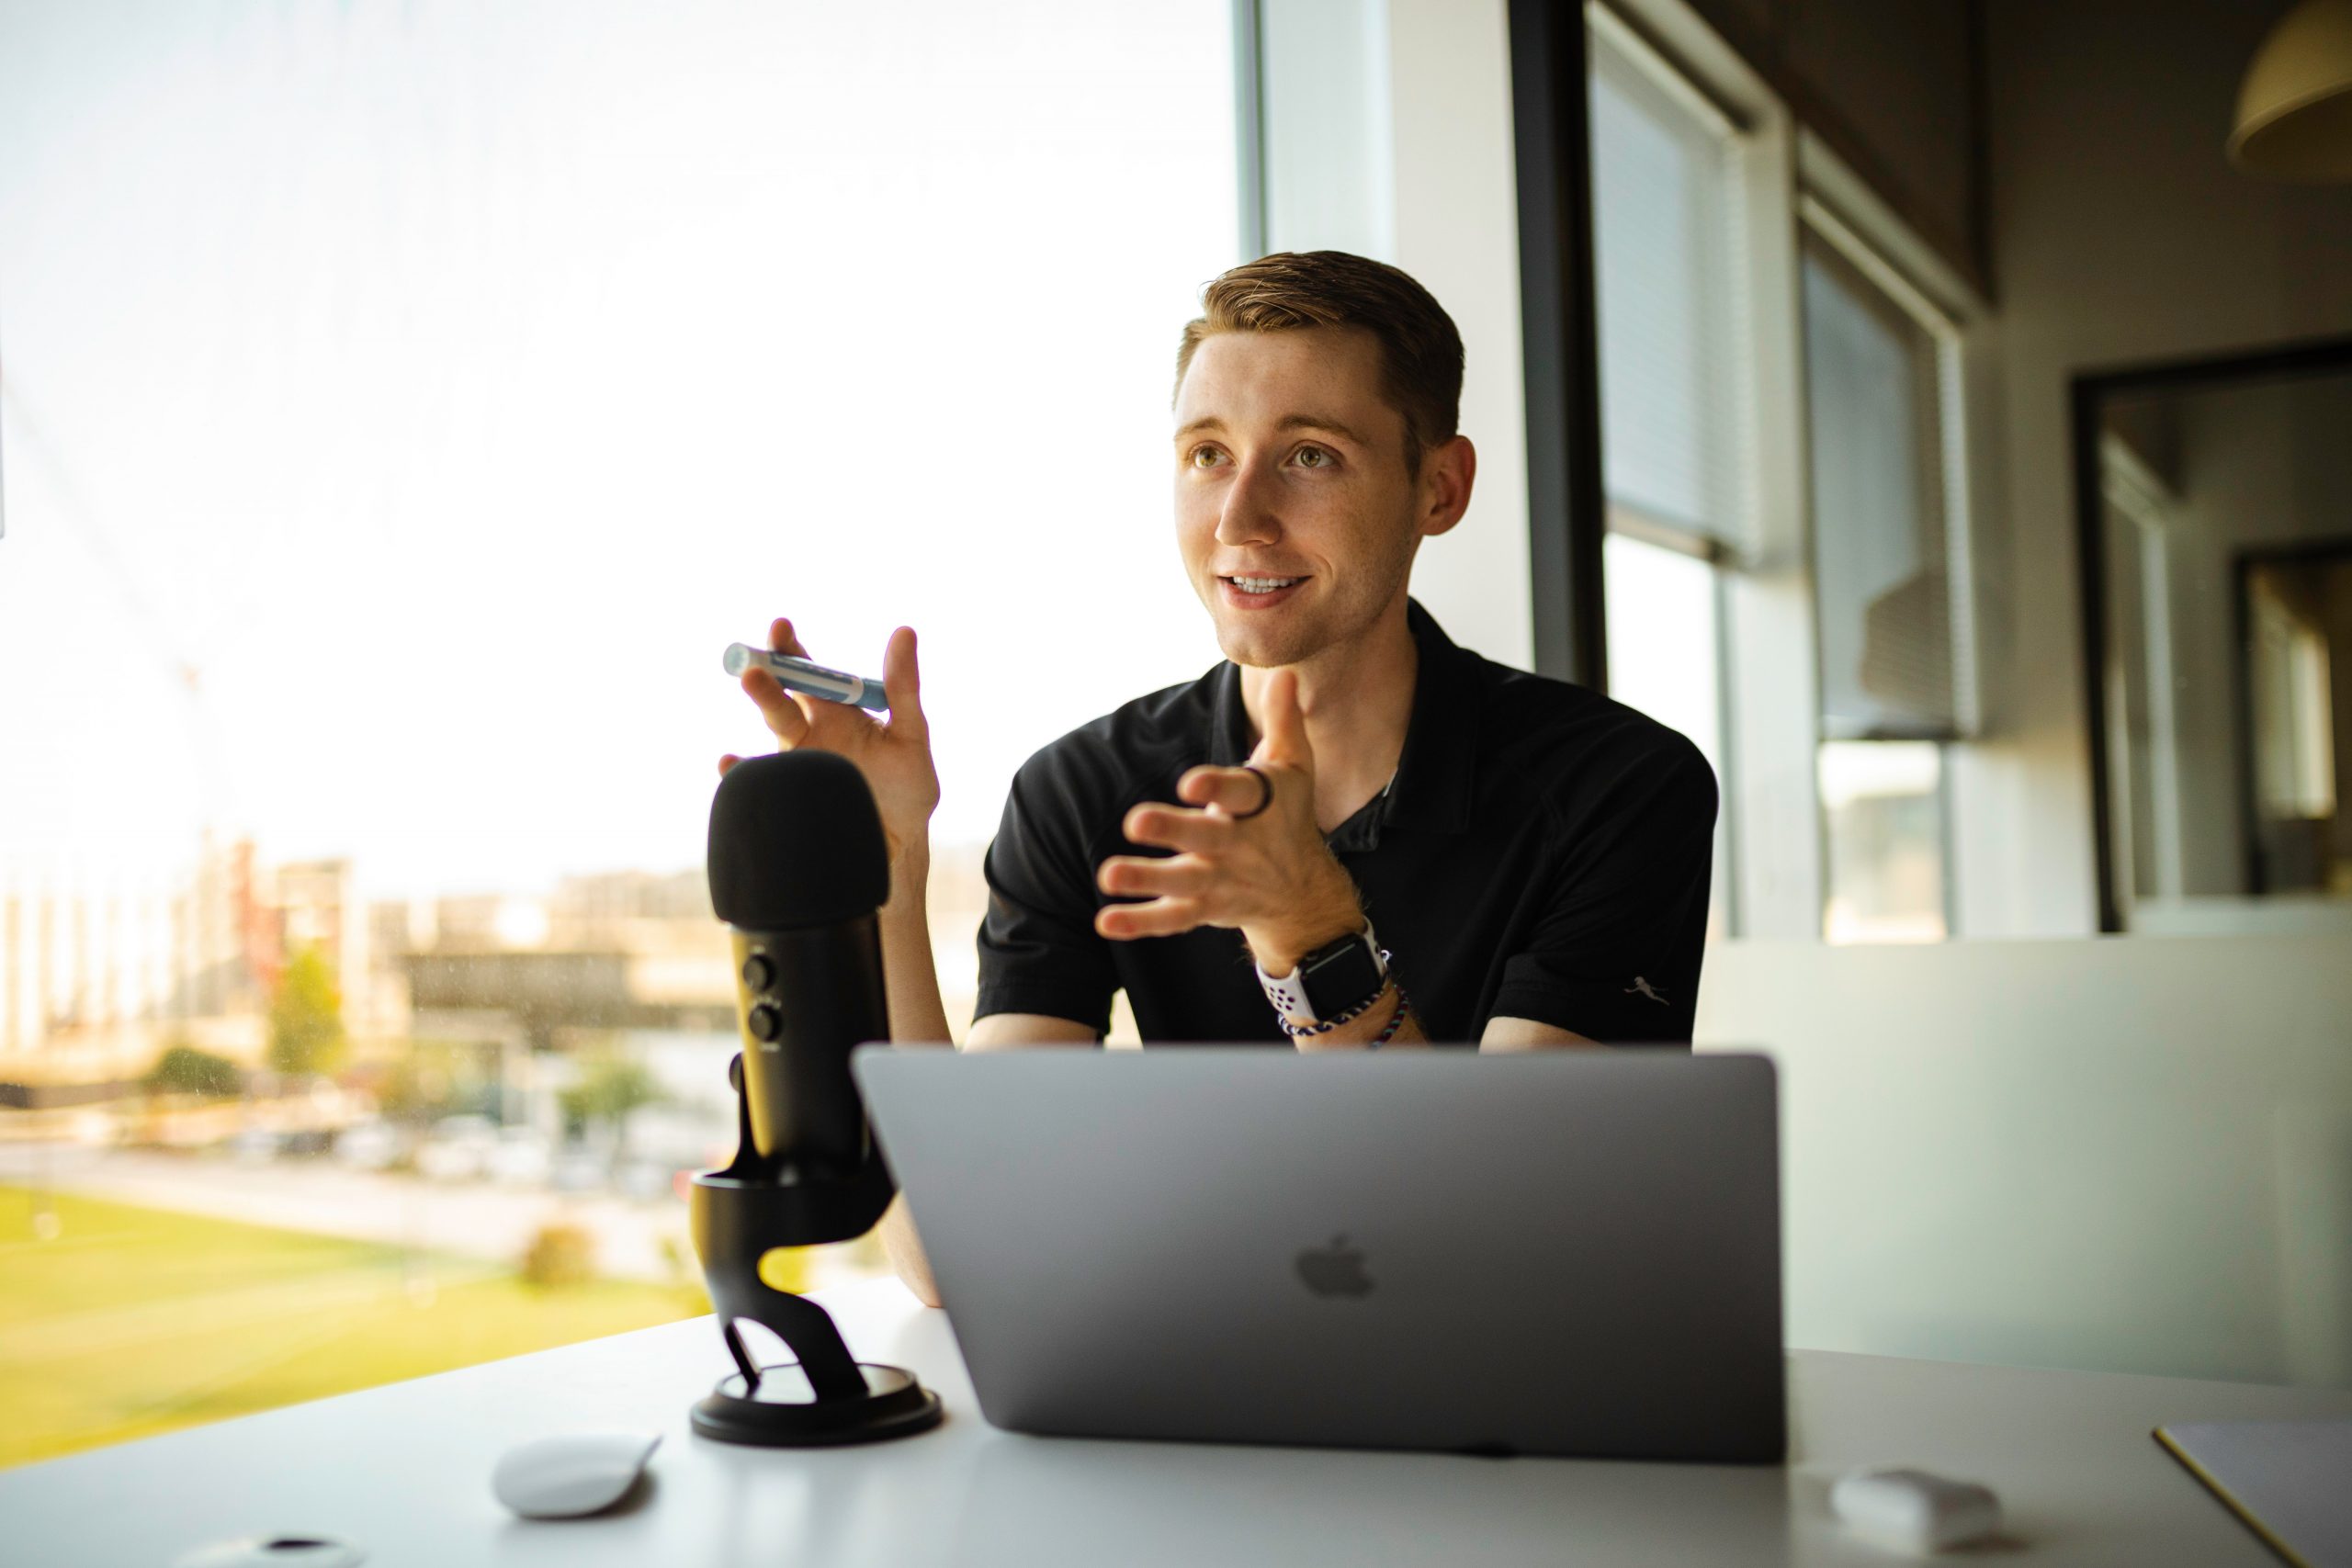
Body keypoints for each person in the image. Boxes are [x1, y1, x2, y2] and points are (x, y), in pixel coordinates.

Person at [720, 251, 1717, 1305]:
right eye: (1206, 454)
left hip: (1492, 1428)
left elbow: (1501, 1252)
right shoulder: (1083, 791)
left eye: (1311, 457)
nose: (1238, 518)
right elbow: (959, 1254)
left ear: (1440, 486)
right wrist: (886, 873)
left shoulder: (1621, 788)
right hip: (1188, 1402)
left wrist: (1313, 938)